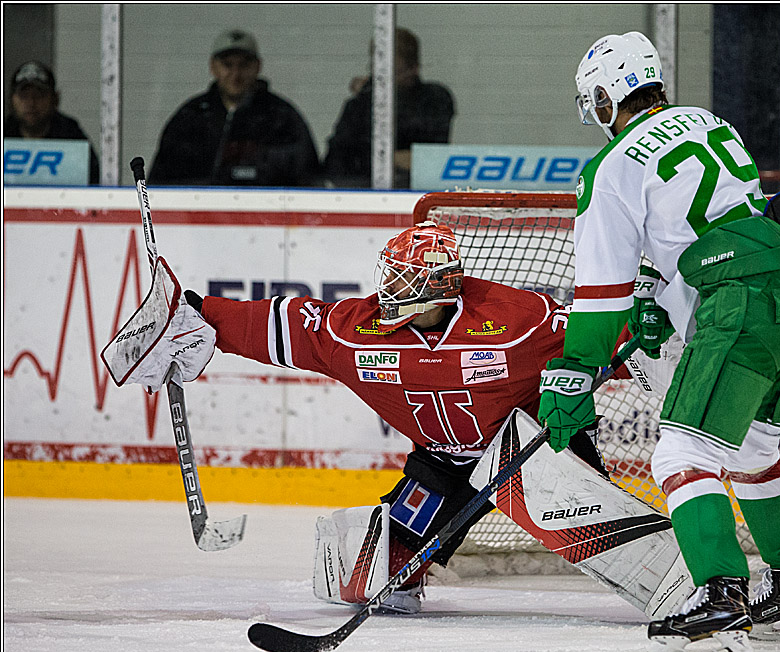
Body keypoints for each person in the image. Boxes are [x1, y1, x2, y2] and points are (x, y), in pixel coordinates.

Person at [105, 220, 692, 618]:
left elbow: (603, 341)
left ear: (445, 282)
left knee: (619, 547)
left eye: (410, 281)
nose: (394, 291)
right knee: (363, 580)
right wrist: (198, 313)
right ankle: (415, 564)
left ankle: (695, 579)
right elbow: (278, 324)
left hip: (530, 447)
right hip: (441, 464)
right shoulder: (353, 329)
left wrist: (647, 332)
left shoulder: (519, 317)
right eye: (393, 276)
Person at [538, 31, 780, 652]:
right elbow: (714, 224)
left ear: (604, 96)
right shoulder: (706, 121)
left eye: (592, 99)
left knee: (679, 451)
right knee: (756, 445)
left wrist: (573, 368)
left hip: (744, 300)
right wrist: (659, 297)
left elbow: (600, 293)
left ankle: (720, 608)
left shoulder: (612, 167)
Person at [149, 29, 321, 187]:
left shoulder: (283, 118)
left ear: (258, 66)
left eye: (244, 65)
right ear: (213, 67)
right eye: (227, 65)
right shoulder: (190, 116)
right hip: (199, 217)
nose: (236, 74)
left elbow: (309, 179)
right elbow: (160, 182)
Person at [323, 27, 454, 189]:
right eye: (377, 71)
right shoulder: (359, 105)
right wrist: (392, 158)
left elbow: (431, 159)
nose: (382, 80)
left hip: (417, 195)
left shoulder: (434, 99)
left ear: (414, 68)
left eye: (392, 72)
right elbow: (336, 163)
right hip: (362, 193)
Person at [5, 60, 100, 184]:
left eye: (39, 95)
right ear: (11, 99)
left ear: (55, 99)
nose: (31, 103)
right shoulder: (5, 131)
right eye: (23, 96)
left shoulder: (70, 133)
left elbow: (93, 180)